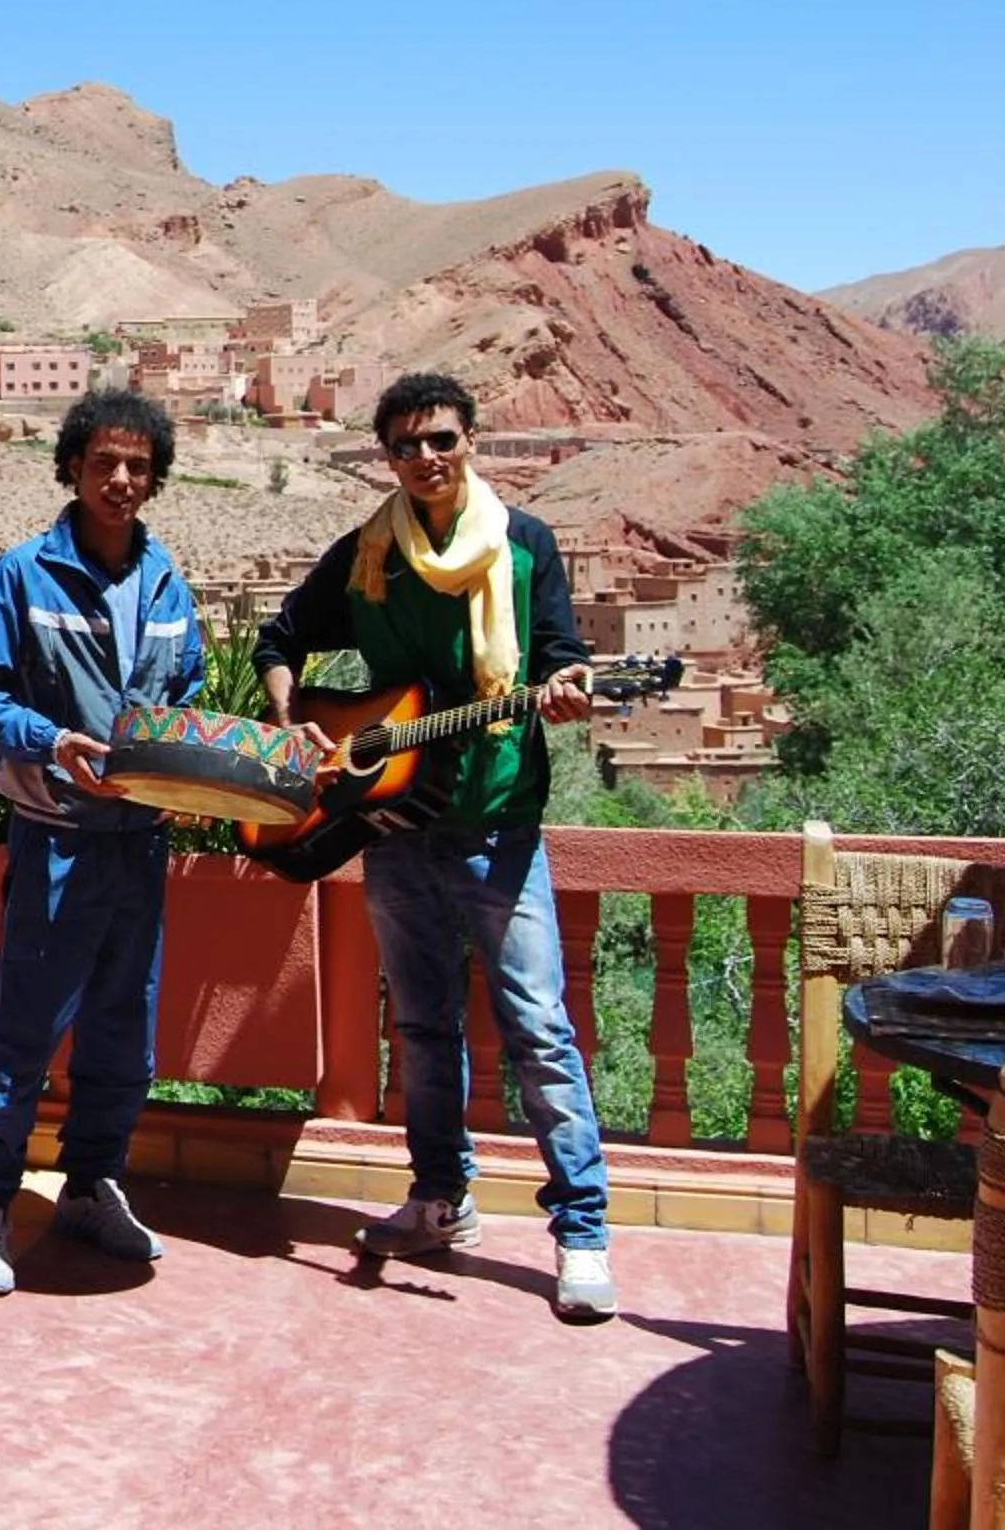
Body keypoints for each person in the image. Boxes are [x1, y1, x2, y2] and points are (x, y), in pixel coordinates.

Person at [252, 371, 614, 1323]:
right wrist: (297, 722)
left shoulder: (524, 545)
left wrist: (568, 689)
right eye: (405, 446)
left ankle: (580, 1232)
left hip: (498, 821)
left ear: (471, 441)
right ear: (386, 457)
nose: (424, 459)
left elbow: (557, 658)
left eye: (441, 440)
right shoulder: (368, 551)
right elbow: (280, 640)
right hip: (395, 828)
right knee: (420, 1028)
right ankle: (438, 1200)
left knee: (537, 1026)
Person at [0, 386, 204, 1297]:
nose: (121, 480)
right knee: (23, 1032)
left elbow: (187, 698)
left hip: (139, 846)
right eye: (104, 463)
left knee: (121, 1035)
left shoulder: (171, 584)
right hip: (55, 836)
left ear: (155, 476)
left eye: (137, 466)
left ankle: (93, 1186)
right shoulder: (25, 574)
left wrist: (190, 774)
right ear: (72, 468)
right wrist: (54, 742)